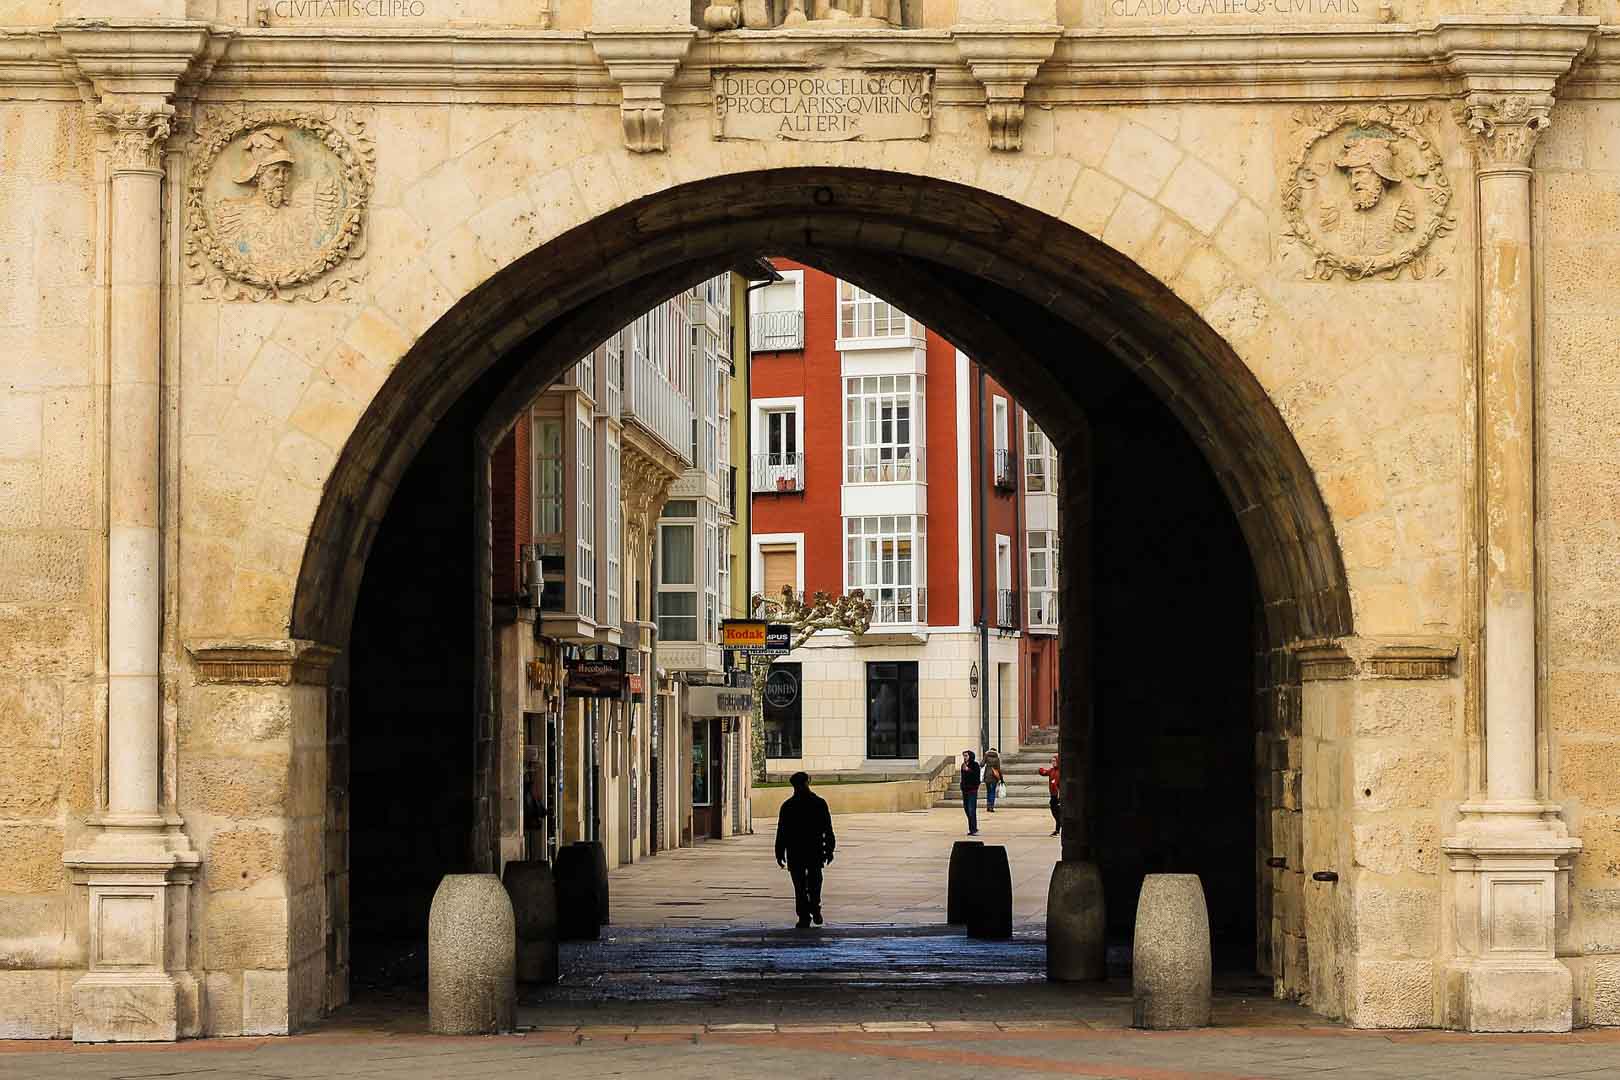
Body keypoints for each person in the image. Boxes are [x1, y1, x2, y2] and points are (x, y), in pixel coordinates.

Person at [775, 771, 836, 928]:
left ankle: (805, 914)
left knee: (801, 884)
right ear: (808, 781)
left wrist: (779, 851)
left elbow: (782, 831)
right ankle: (813, 908)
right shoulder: (818, 803)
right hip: (812, 849)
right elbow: (827, 829)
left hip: (798, 850)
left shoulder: (789, 805)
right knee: (813, 882)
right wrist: (829, 849)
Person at [1037, 754, 1061, 837]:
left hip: (1058, 796)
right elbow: (1045, 772)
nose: (1053, 763)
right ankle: (1058, 829)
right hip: (1053, 795)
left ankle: (1057, 830)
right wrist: (1040, 770)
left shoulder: (1060, 771)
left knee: (1058, 813)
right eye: (1052, 761)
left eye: (1054, 761)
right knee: (1055, 813)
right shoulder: (1052, 770)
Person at [960, 749, 982, 836]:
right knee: (966, 809)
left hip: (972, 790)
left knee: (971, 809)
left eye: (966, 756)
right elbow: (963, 777)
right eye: (964, 756)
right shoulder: (963, 765)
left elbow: (976, 776)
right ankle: (972, 827)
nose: (965, 758)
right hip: (965, 790)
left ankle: (973, 829)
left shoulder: (975, 765)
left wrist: (968, 770)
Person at [982, 747, 1004, 813]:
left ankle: (988, 807)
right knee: (993, 792)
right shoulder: (997, 758)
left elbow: (981, 764)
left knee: (988, 792)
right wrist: (1001, 779)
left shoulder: (986, 756)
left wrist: (985, 759)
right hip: (994, 777)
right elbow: (998, 769)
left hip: (987, 776)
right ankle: (991, 806)